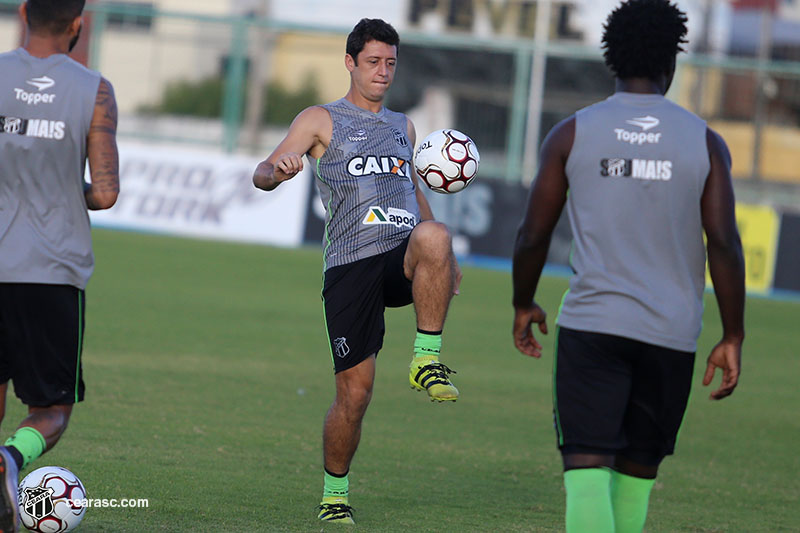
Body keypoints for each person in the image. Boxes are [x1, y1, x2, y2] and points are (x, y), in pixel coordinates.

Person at [511, 1, 745, 532]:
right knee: (638, 473)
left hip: (593, 327)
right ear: (672, 61)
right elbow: (724, 243)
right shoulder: (705, 142)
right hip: (671, 333)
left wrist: (523, 302)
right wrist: (733, 334)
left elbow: (533, 234)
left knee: (586, 468)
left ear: (612, 59)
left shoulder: (571, 133)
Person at [252, 18, 462, 524]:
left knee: (437, 236)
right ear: (350, 63)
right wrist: (277, 171)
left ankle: (425, 360)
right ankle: (333, 494)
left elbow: (414, 194)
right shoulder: (320, 119)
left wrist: (442, 261)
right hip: (350, 267)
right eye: (373, 62)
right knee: (355, 394)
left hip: (399, 256)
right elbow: (262, 172)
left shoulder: (403, 127)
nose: (383, 72)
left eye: (390, 63)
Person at [0, 0, 119, 530]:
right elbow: (107, 193)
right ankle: (9, 460)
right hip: (50, 269)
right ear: (78, 24)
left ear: (23, 12)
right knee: (50, 410)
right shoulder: (94, 91)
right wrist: (65, 192)